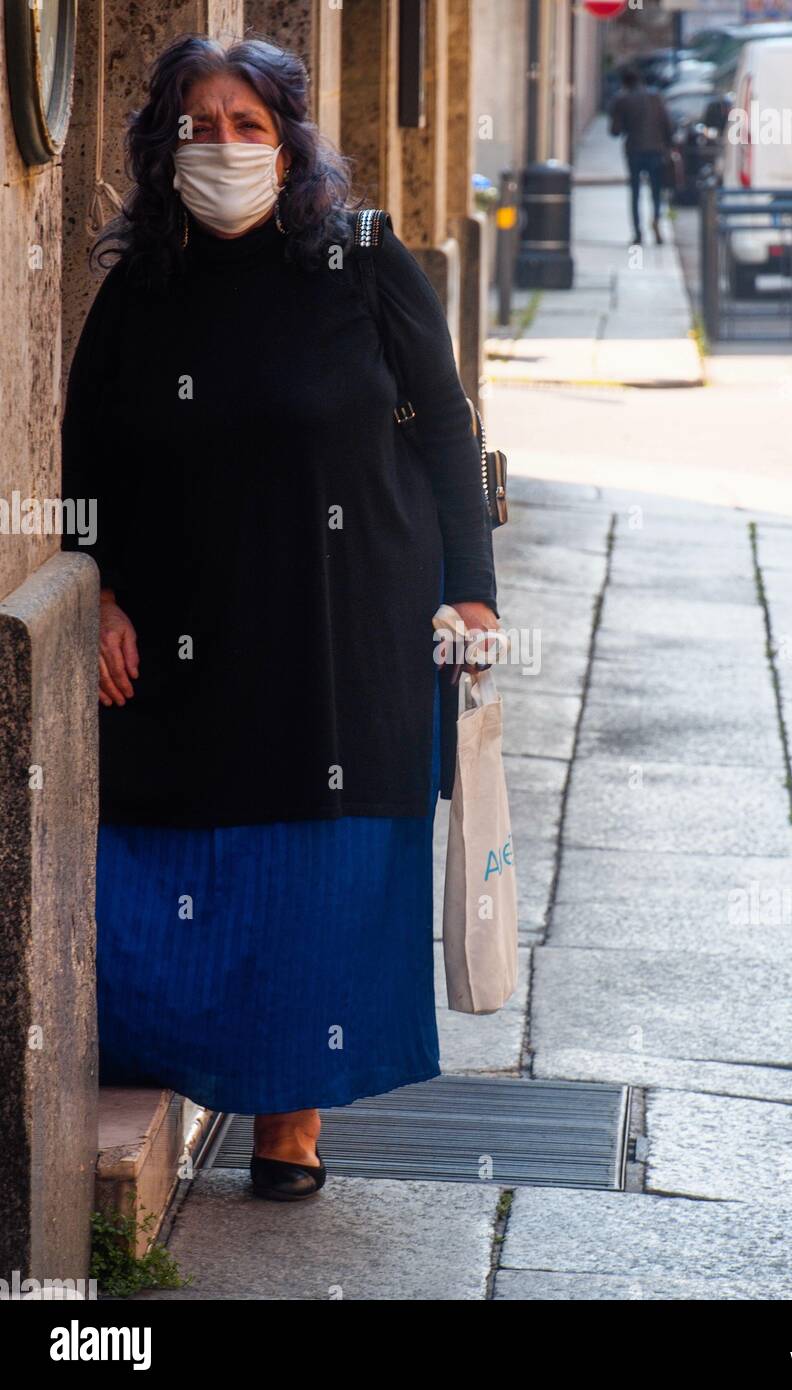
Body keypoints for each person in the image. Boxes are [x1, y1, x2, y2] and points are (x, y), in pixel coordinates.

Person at [60, 33, 500, 1202]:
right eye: (198, 124)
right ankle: (183, 1064)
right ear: (163, 146)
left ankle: (288, 1118)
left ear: (290, 143)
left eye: (248, 125)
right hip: (178, 629)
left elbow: (445, 428)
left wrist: (472, 592)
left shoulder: (360, 257)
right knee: (167, 863)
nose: (224, 145)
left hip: (339, 623)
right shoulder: (138, 290)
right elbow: (83, 459)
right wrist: (94, 588)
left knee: (315, 869)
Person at [609, 65, 674, 246]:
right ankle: (656, 222)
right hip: (656, 150)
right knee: (656, 192)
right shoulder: (656, 98)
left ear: (625, 83)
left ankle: (638, 233)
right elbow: (667, 125)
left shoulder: (622, 100)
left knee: (635, 193)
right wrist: (669, 146)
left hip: (634, 151)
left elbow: (614, 131)